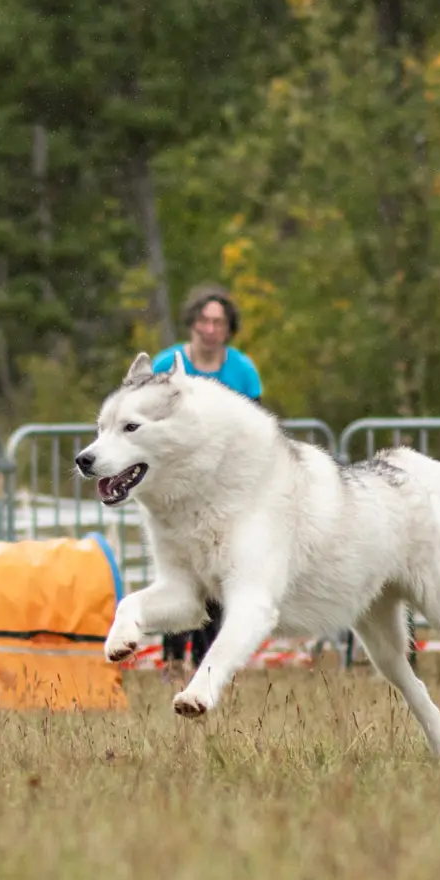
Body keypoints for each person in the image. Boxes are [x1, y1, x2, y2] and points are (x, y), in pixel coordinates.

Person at [152, 285, 265, 670]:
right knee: (179, 571)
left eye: (218, 321)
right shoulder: (166, 363)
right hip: (176, 486)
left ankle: (207, 661)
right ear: (193, 323)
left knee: (216, 572)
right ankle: (171, 659)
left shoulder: (242, 371)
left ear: (228, 328)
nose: (210, 328)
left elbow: (256, 429)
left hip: (223, 490)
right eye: (203, 320)